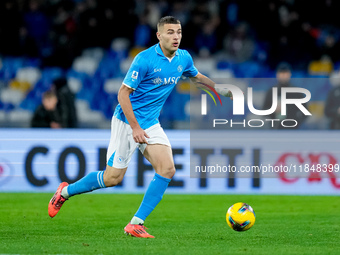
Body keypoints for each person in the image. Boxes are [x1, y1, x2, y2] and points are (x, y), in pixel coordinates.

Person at [48, 16, 231, 238]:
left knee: (167, 169)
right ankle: (64, 192)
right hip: (127, 121)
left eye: (179, 32)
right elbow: (122, 94)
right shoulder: (144, 60)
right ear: (159, 35)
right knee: (112, 178)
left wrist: (218, 89)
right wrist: (135, 127)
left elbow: (195, 76)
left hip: (151, 122)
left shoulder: (183, 58)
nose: (176, 37)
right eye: (171, 32)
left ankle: (135, 223)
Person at [262, 62, 308, 129]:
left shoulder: (297, 92)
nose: (283, 75)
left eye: (285, 73)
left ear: (289, 74)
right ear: (277, 74)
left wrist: (297, 121)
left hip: (292, 129)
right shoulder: (271, 91)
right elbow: (263, 110)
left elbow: (306, 112)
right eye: (281, 73)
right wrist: (273, 110)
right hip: (275, 128)